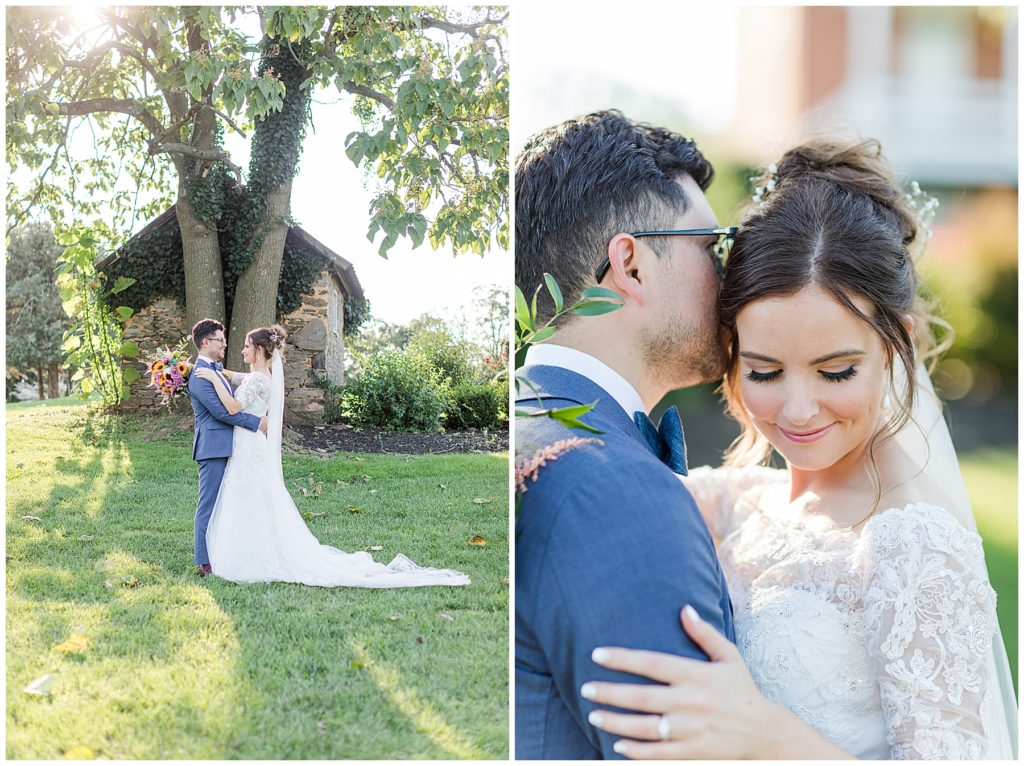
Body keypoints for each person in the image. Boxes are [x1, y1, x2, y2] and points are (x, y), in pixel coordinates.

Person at [582, 138, 1017, 759]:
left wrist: (763, 733)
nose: (798, 410)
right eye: (764, 372)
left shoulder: (914, 546)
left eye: (836, 371)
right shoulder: (730, 503)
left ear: (900, 345)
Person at [514, 111, 737, 758]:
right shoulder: (617, 492)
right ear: (631, 264)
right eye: (711, 247)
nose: (728, 279)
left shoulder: (529, 419)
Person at [195, 324, 470, 588]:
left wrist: (210, 377)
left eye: (245, 346)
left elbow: (231, 407)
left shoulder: (257, 379)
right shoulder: (261, 376)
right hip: (248, 445)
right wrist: (216, 372)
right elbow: (236, 377)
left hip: (249, 446)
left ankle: (248, 555)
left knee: (249, 497)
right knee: (251, 498)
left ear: (258, 350)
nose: (240, 350)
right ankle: (248, 548)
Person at [187, 318, 267, 577]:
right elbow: (223, 412)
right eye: (220, 340)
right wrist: (256, 423)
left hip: (229, 445)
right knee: (208, 505)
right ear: (205, 342)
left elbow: (251, 383)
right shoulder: (200, 375)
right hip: (213, 447)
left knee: (227, 504)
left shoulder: (215, 369)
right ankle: (205, 562)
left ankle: (227, 553)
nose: (224, 343)